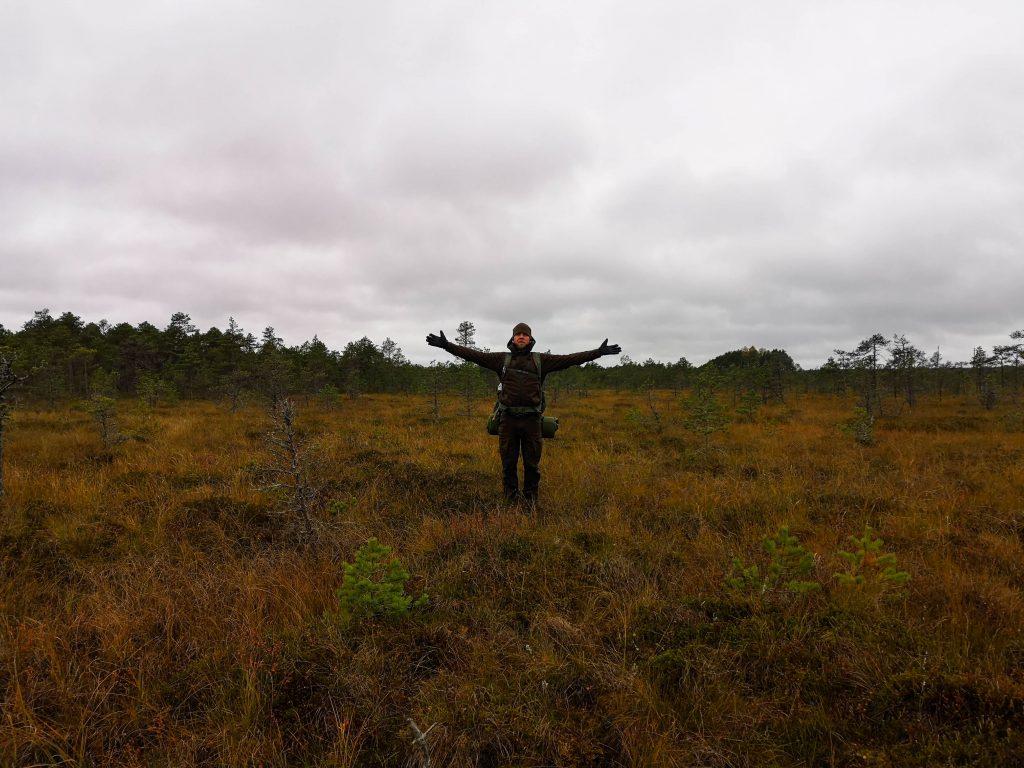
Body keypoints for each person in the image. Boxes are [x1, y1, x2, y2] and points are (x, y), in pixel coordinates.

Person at [427, 322, 621, 506]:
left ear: (530, 338)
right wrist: (446, 346)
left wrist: (598, 353)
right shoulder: (501, 359)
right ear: (513, 338)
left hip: (532, 421)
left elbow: (570, 359)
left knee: (532, 465)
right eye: (518, 334)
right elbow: (472, 355)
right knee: (508, 464)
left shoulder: (541, 360)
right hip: (507, 420)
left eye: (525, 334)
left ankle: (530, 503)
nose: (521, 337)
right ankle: (510, 500)